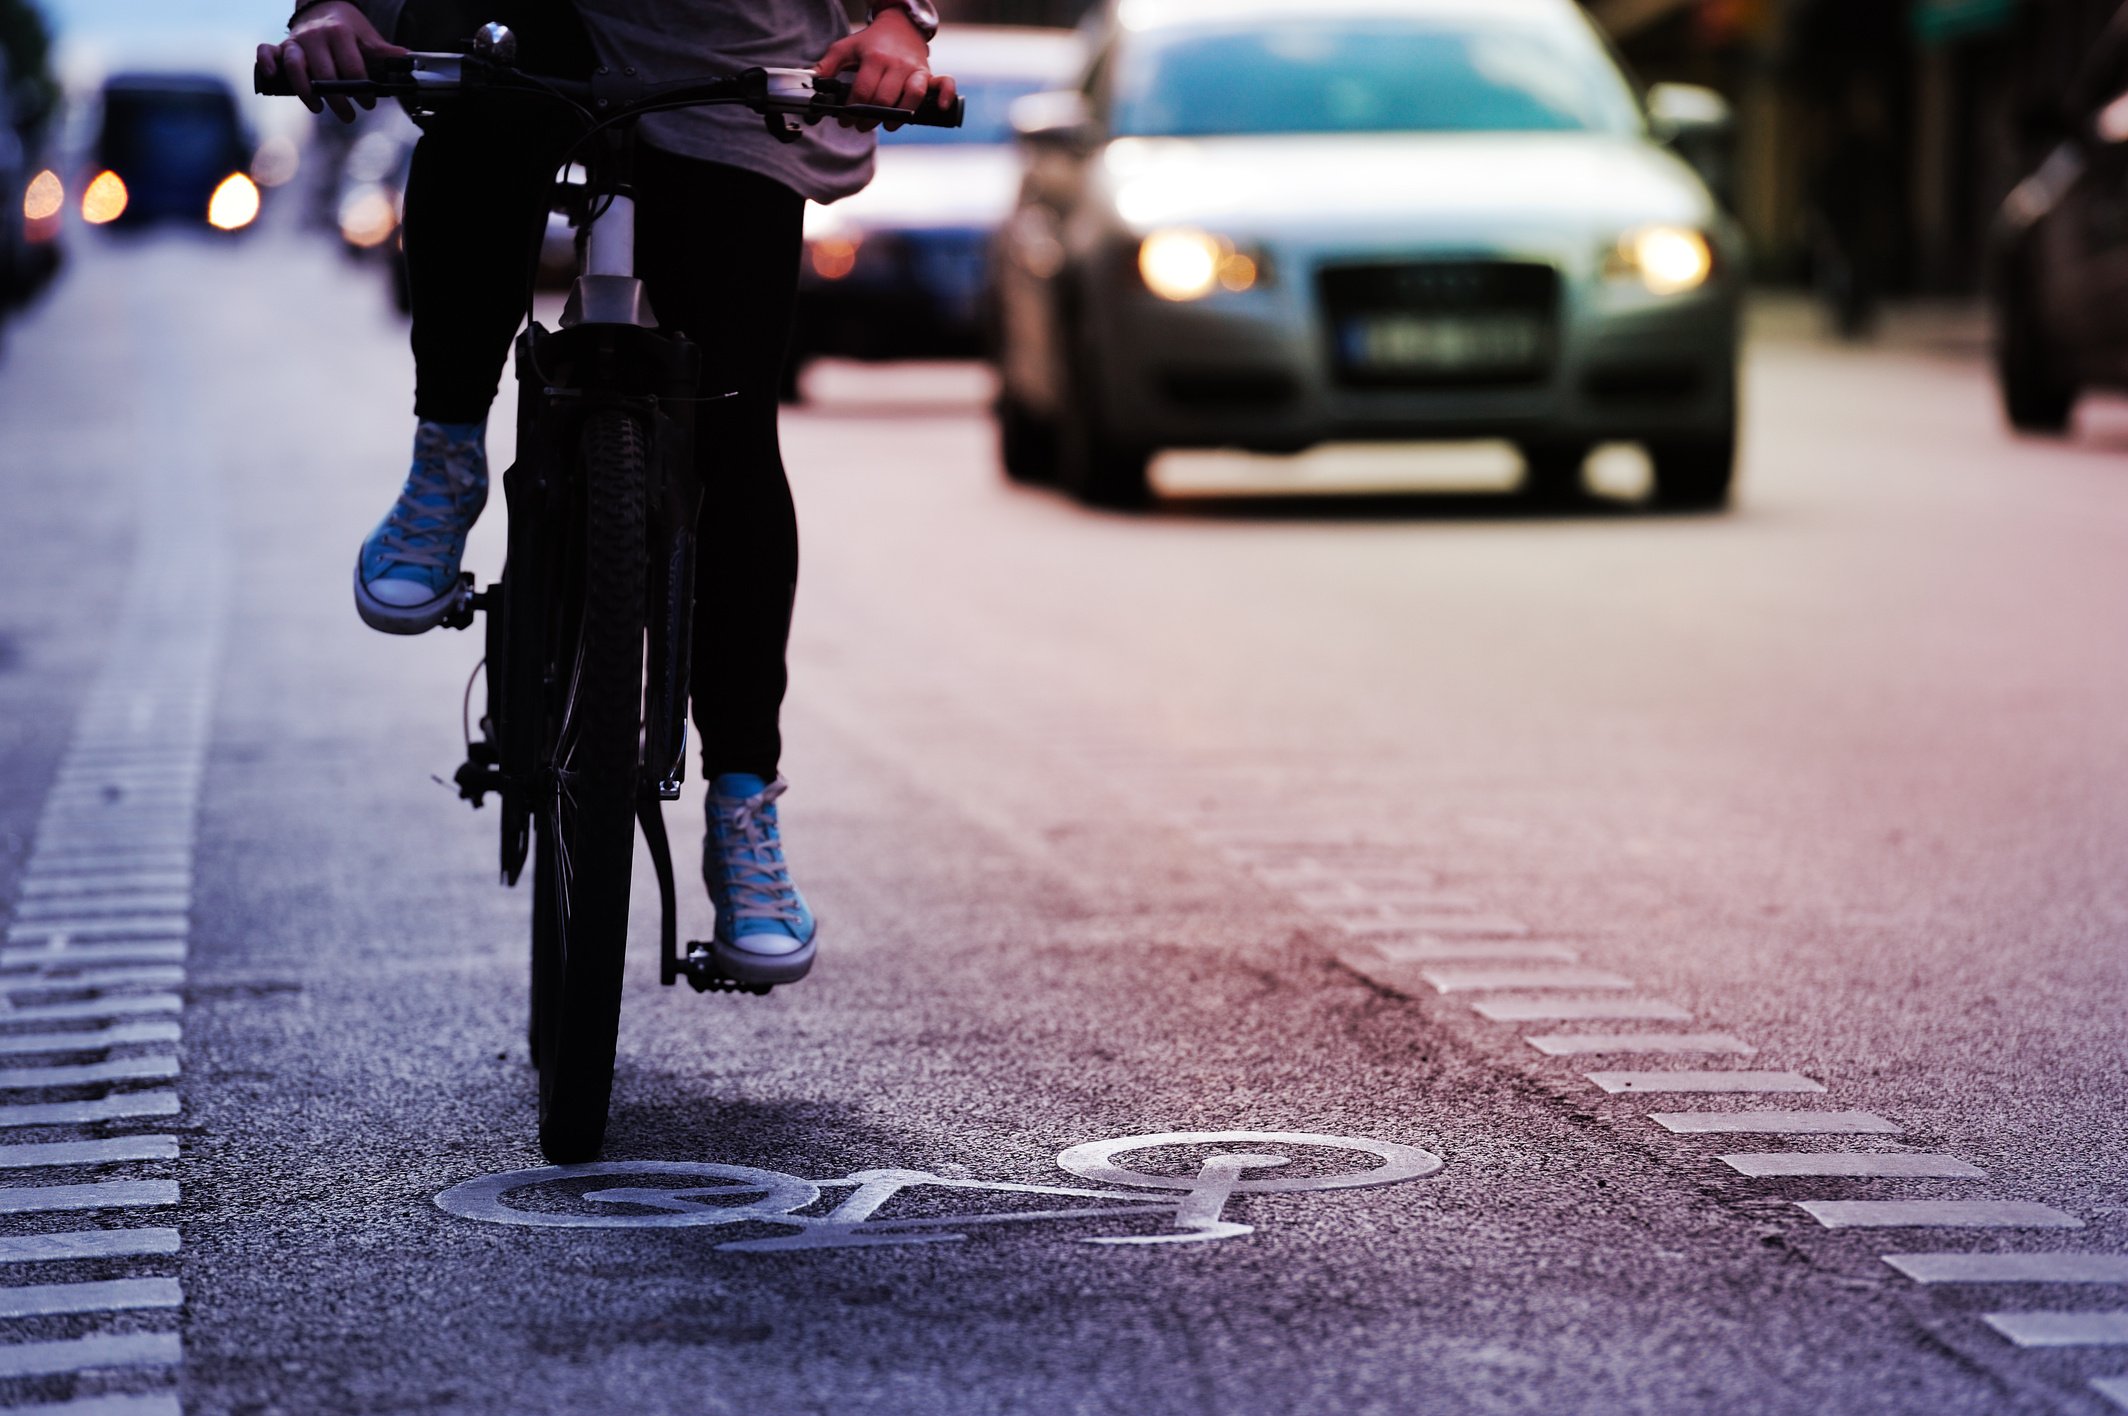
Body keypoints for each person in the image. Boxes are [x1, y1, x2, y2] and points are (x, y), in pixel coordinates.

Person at [258, 0, 952, 987]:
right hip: (532, 20)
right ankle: (447, 457)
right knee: (483, 108)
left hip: (726, 55)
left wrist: (899, 25)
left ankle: (743, 797)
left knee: (733, 429)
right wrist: (339, 8)